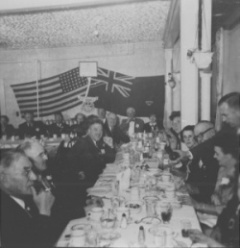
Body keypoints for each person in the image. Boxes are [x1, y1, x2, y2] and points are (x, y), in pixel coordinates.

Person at [0, 150, 56, 247]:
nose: (34, 177)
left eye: (31, 170)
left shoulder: (24, 198)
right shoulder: (4, 213)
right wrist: (44, 212)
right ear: (2, 177)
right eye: (26, 172)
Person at [70, 118, 116, 188]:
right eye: (95, 129)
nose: (99, 133)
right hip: (87, 184)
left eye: (101, 130)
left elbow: (111, 159)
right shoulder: (82, 143)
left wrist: (111, 146)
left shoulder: (98, 142)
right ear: (89, 131)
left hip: (97, 178)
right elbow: (94, 167)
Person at [186, 121, 219, 202]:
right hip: (196, 200)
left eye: (201, 135)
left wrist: (192, 189)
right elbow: (192, 179)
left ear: (212, 132)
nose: (199, 140)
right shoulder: (202, 153)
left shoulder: (219, 155)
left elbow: (212, 189)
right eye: (197, 137)